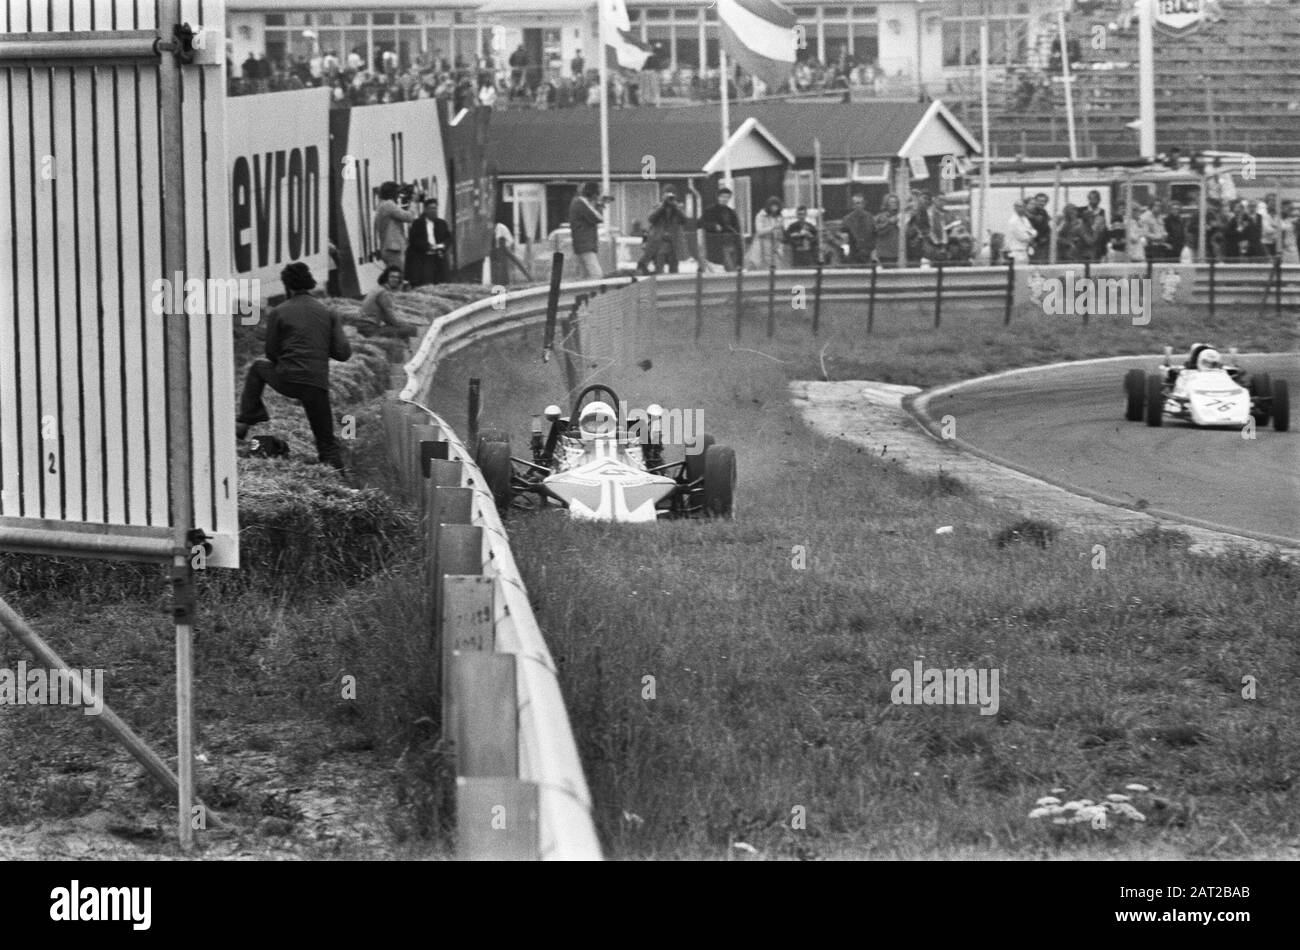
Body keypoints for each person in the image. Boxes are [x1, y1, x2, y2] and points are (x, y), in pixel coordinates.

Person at [236, 263, 351, 470]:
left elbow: (271, 352)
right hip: (316, 384)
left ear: (286, 286)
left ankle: (249, 417)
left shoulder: (279, 312)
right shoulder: (329, 312)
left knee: (258, 367)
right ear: (311, 283)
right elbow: (343, 354)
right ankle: (342, 482)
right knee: (326, 442)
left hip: (287, 379)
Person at [357, 266, 417, 339]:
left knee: (401, 328)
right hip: (370, 330)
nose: (395, 279)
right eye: (392, 277)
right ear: (386, 278)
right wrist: (403, 323)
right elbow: (392, 318)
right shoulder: (384, 293)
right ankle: (406, 348)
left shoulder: (377, 288)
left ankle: (403, 347)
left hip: (363, 327)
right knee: (411, 329)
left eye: (397, 278)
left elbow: (387, 318)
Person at [639, 187, 689, 274]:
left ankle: (672, 285)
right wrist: (662, 207)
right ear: (663, 196)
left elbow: (684, 220)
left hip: (674, 243)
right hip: (659, 242)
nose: (669, 197)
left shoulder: (678, 208)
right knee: (659, 267)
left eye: (672, 195)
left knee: (674, 269)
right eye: (667, 195)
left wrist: (676, 208)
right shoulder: (657, 207)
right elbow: (651, 219)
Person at [405, 196, 452, 286]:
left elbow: (448, 238)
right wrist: (428, 246)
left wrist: (443, 246)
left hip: (439, 256)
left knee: (443, 280)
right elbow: (414, 240)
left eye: (435, 208)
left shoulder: (441, 223)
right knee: (427, 281)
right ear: (425, 210)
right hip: (425, 257)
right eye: (431, 208)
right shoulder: (417, 224)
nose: (433, 211)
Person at [373, 181, 418, 270]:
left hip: (390, 248)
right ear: (391, 193)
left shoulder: (382, 205)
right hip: (393, 250)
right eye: (397, 193)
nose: (398, 196)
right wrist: (413, 202)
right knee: (399, 276)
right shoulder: (388, 205)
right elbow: (409, 217)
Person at [698, 185, 742, 272]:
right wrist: (714, 226)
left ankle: (733, 280)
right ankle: (732, 280)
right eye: (723, 197)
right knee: (730, 267)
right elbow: (700, 223)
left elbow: (737, 231)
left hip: (731, 242)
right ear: (718, 197)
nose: (725, 199)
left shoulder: (731, 212)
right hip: (717, 243)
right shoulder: (710, 210)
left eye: (727, 197)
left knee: (733, 265)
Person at [569, 181, 606, 279]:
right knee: (597, 275)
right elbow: (598, 218)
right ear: (593, 194)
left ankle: (584, 294)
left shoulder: (577, 202)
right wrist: (600, 205)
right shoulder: (581, 202)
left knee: (584, 277)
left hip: (581, 245)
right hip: (586, 245)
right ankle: (599, 294)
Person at [748, 196, 786, 269]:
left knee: (777, 265)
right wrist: (773, 228)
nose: (775, 208)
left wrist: (779, 243)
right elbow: (759, 231)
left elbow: (780, 233)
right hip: (762, 243)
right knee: (762, 264)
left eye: (776, 206)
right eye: (773, 206)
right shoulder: (761, 215)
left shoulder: (779, 216)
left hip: (775, 244)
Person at [839, 192, 876, 265]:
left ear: (864, 204)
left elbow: (875, 235)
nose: (857, 205)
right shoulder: (847, 219)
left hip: (868, 254)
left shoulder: (870, 218)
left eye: (859, 203)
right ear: (852, 205)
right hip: (853, 254)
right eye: (855, 203)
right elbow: (843, 238)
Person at [874, 194, 902, 266]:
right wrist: (889, 222)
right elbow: (877, 230)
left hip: (897, 251)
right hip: (886, 253)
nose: (894, 204)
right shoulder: (881, 217)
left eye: (896, 202)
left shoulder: (899, 216)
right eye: (892, 202)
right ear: (886, 204)